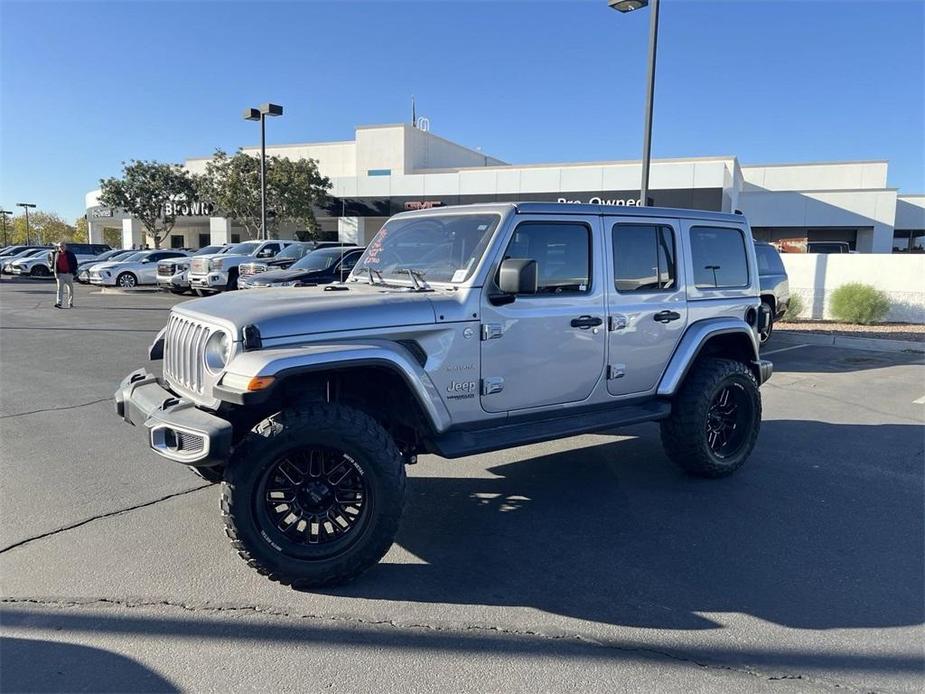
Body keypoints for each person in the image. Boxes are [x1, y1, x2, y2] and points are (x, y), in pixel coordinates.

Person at [52, 241, 77, 309]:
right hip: (60, 275)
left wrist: (73, 272)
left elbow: (75, 263)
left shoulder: (70, 254)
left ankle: (70, 302)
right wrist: (56, 273)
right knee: (60, 289)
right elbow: (55, 264)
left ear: (65, 247)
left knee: (70, 289)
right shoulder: (57, 254)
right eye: (60, 246)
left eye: (62, 246)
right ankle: (59, 303)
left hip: (69, 274)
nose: (61, 248)